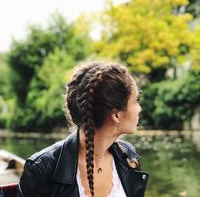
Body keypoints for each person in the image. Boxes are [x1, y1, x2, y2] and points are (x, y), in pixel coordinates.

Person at [17, 61, 149, 197]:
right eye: (135, 100)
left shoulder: (128, 156)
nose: (139, 109)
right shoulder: (41, 168)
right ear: (116, 115)